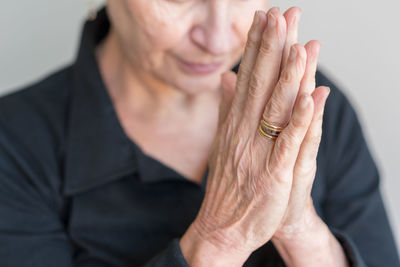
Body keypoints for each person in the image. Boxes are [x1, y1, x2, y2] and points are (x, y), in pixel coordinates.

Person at [0, 1, 399, 266]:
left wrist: (297, 228)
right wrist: (222, 236)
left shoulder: (308, 102)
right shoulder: (15, 142)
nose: (218, 40)